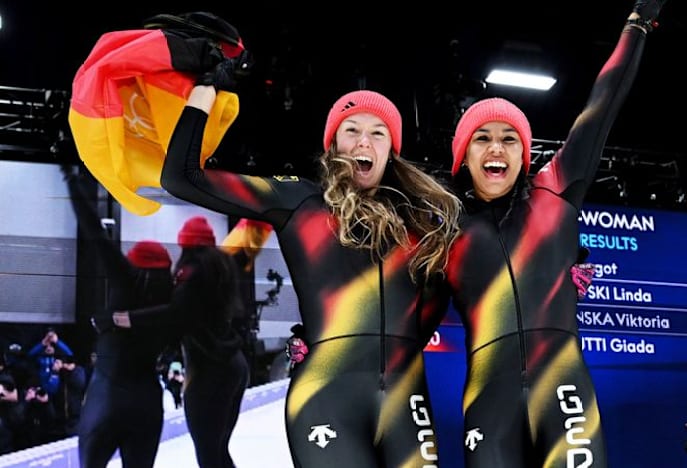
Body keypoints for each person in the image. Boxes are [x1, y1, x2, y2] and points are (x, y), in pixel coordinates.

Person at [159, 70, 462, 465]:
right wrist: (204, 89)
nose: (364, 142)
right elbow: (180, 177)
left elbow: (432, 307)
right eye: (351, 129)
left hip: (405, 400)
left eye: (378, 132)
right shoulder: (299, 200)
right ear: (333, 142)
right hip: (325, 398)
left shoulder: (421, 223)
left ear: (391, 150)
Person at [445, 1, 667, 466]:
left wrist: (638, 21)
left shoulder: (556, 188)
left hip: (563, 388)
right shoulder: (445, 228)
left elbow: (602, 103)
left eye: (510, 138)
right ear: (463, 156)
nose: (496, 148)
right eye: (482, 138)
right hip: (489, 401)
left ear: (525, 155)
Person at [112, 215, 249, 468]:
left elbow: (175, 314)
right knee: (218, 451)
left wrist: (129, 318)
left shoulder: (191, 274)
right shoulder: (220, 269)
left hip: (209, 371)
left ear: (185, 246)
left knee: (209, 453)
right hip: (234, 365)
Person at [64, 165, 176, 468]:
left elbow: (94, 232)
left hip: (107, 396)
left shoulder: (125, 278)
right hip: (147, 401)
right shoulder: (173, 301)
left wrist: (71, 180)